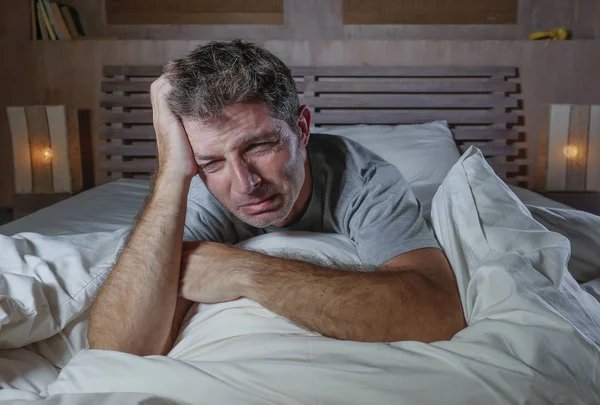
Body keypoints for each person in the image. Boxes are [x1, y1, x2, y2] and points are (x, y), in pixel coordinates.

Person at [88, 40, 465, 356]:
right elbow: (118, 349)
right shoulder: (200, 193)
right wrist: (172, 173)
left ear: (301, 129)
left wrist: (241, 270)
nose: (244, 183)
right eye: (211, 161)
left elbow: (437, 313)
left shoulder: (365, 180)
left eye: (260, 146)